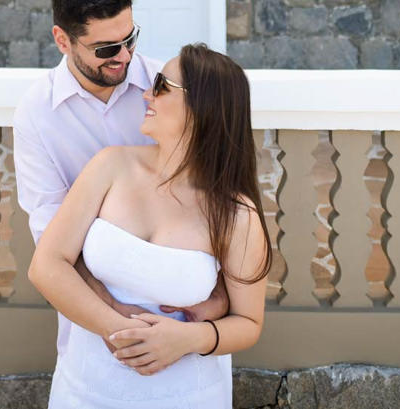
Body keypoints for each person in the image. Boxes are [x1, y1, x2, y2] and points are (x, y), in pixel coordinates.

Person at [29, 43, 272, 408]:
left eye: (161, 86)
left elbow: (249, 323)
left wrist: (188, 339)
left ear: (201, 107)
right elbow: (46, 266)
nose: (146, 93)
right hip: (85, 390)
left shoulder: (237, 214)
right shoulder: (110, 166)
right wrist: (115, 327)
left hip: (186, 396)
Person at [13, 0, 227, 363]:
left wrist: (219, 297)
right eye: (107, 48)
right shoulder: (36, 114)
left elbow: (218, 192)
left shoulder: (166, 87)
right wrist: (111, 314)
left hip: (183, 313)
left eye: (130, 39)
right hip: (93, 316)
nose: (125, 55)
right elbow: (51, 235)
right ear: (63, 40)